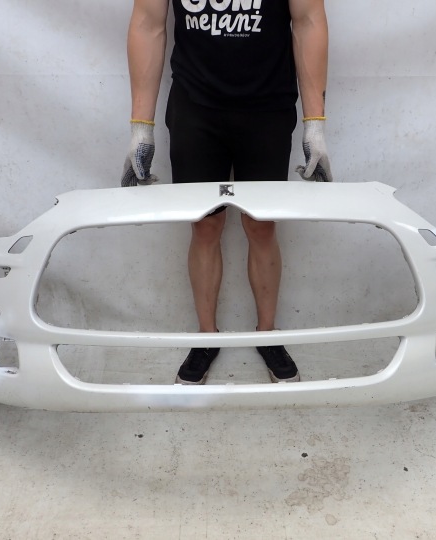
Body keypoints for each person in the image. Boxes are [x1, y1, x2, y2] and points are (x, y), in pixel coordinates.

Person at [122, 0, 332, 385]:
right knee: (204, 226)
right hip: (196, 107)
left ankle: (267, 335)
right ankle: (206, 338)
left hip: (267, 106)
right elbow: (147, 23)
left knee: (261, 225)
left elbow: (309, 20)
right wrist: (141, 128)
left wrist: (314, 124)